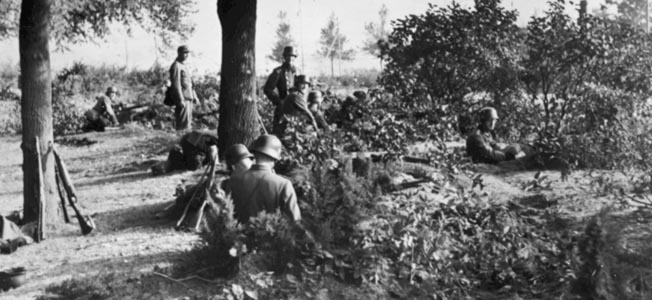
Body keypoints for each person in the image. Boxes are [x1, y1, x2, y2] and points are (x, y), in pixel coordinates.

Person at [228, 135, 302, 224]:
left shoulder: (233, 180)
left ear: (254, 153)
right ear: (275, 158)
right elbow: (295, 222)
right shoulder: (283, 185)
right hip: (269, 236)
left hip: (236, 236)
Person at [264, 46, 298, 135]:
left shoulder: (296, 72)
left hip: (295, 109)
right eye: (288, 56)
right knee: (279, 134)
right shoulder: (278, 72)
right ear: (284, 57)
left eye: (293, 56)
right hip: (282, 109)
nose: (290, 58)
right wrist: (279, 102)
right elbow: (268, 89)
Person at [169, 45, 199, 131]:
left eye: (187, 53)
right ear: (179, 53)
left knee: (188, 122)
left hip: (188, 98)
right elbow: (176, 84)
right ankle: (179, 140)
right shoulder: (176, 66)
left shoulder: (184, 66)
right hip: (183, 98)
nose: (186, 55)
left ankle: (185, 141)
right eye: (184, 53)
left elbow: (190, 84)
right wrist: (180, 99)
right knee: (182, 124)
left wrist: (194, 96)